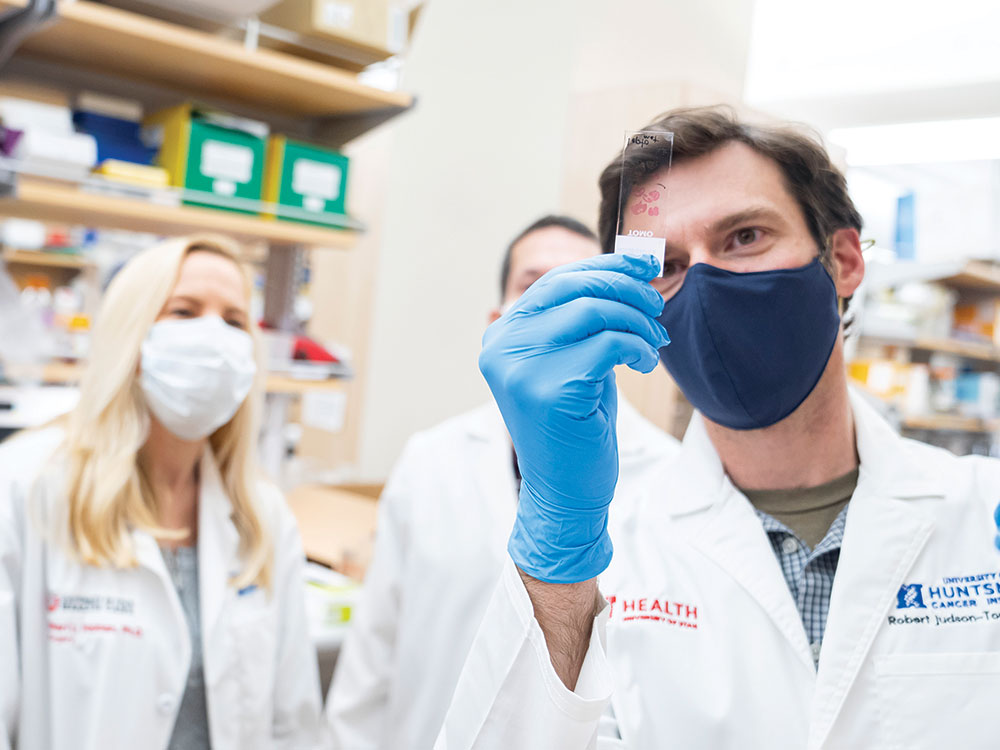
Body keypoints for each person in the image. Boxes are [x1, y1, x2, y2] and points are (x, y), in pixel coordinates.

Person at [436, 107, 1000, 749]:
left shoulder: (987, 515)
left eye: (744, 236)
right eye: (668, 264)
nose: (702, 282)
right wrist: (558, 538)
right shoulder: (602, 561)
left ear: (842, 260)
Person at [325, 216, 679, 750]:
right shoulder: (430, 459)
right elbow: (372, 659)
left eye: (581, 284)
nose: (562, 306)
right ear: (499, 322)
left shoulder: (672, 477)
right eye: (535, 285)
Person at [0, 235, 325, 750]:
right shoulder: (24, 487)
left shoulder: (262, 516)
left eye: (235, 321)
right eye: (185, 311)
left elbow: (293, 726)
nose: (214, 335)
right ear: (132, 335)